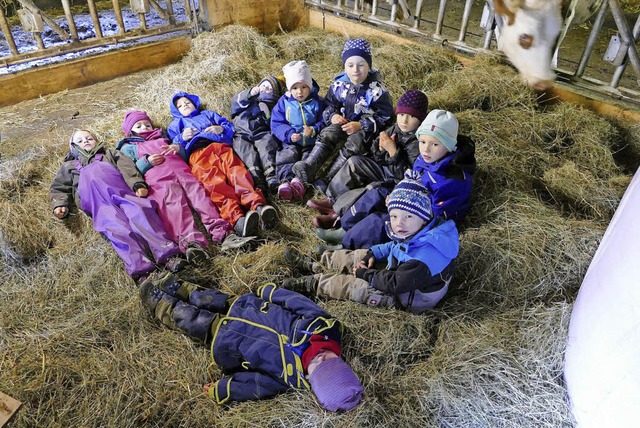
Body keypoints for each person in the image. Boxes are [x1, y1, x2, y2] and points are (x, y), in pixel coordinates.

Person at [138, 273, 363, 411]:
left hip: (230, 340)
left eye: (318, 367)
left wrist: (224, 389)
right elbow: (298, 302)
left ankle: (163, 306)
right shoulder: (325, 327)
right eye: (330, 360)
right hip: (248, 308)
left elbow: (255, 384)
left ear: (310, 381)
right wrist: (271, 293)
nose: (320, 357)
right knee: (208, 297)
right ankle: (179, 287)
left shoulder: (288, 378)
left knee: (192, 320)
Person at [283, 174, 459, 314]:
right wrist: (372, 253)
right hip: (401, 272)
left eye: (408, 216)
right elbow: (394, 246)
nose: (399, 223)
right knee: (360, 255)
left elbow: (394, 284)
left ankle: (312, 283)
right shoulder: (419, 231)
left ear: (423, 217)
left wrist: (366, 274)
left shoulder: (424, 258)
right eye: (394, 216)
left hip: (403, 297)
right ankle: (317, 262)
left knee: (354, 286)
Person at [314, 109, 476, 251]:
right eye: (423, 141)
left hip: (426, 220)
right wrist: (398, 194)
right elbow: (411, 179)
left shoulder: (453, 180)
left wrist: (400, 206)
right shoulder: (428, 158)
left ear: (448, 146)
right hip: (412, 202)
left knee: (382, 220)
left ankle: (346, 245)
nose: (426, 148)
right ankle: (344, 229)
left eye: (435, 144)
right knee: (378, 192)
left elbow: (437, 217)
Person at [50, 129, 185, 282]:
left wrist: (137, 184)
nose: (85, 141)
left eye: (89, 138)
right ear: (73, 147)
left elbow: (128, 169)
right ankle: (142, 271)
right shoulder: (69, 167)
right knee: (118, 231)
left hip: (123, 194)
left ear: (96, 140)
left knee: (141, 214)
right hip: (100, 207)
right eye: (80, 141)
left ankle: (168, 255)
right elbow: (59, 187)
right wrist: (59, 204)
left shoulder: (110, 154)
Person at [117, 111, 251, 257]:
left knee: (202, 200)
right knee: (174, 208)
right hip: (160, 181)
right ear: (130, 131)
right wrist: (146, 162)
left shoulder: (164, 137)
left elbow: (183, 155)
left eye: (147, 124)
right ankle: (192, 245)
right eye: (138, 126)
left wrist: (177, 149)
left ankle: (224, 234)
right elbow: (130, 171)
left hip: (184, 173)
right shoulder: (128, 147)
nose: (144, 127)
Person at [167, 91, 278, 236]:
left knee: (238, 173)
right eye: (180, 106)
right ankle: (238, 220)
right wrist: (182, 137)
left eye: (188, 102)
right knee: (215, 185)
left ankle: (257, 206)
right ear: (177, 111)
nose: (185, 105)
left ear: (195, 104)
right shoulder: (176, 124)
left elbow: (228, 125)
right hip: (198, 155)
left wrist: (221, 129)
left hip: (220, 147)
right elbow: (174, 146)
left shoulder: (208, 114)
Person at [291, 38, 394, 189]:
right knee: (328, 133)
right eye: (350, 65)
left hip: (364, 129)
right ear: (344, 67)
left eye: (361, 65)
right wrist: (332, 116)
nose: (355, 70)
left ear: (369, 66)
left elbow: (386, 116)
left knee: (355, 144)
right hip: (343, 121)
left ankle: (327, 178)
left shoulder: (377, 90)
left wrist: (361, 125)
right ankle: (310, 166)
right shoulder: (339, 84)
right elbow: (329, 104)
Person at [271, 60, 326, 201]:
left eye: (303, 87)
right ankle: (284, 182)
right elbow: (277, 123)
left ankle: (299, 182)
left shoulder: (318, 102)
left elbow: (324, 120)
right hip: (291, 140)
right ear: (289, 89)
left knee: (308, 159)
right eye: (294, 88)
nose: (299, 92)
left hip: (311, 141)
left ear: (310, 86)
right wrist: (288, 134)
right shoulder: (284, 103)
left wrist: (314, 129)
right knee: (287, 156)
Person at [230, 75, 286, 195]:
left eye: (269, 89)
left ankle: (271, 176)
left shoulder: (274, 106)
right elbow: (235, 102)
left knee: (267, 146)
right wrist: (249, 94)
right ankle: (256, 179)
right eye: (263, 85)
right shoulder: (248, 98)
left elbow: (274, 123)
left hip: (261, 132)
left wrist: (267, 114)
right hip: (241, 132)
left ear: (275, 95)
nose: (265, 89)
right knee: (245, 151)